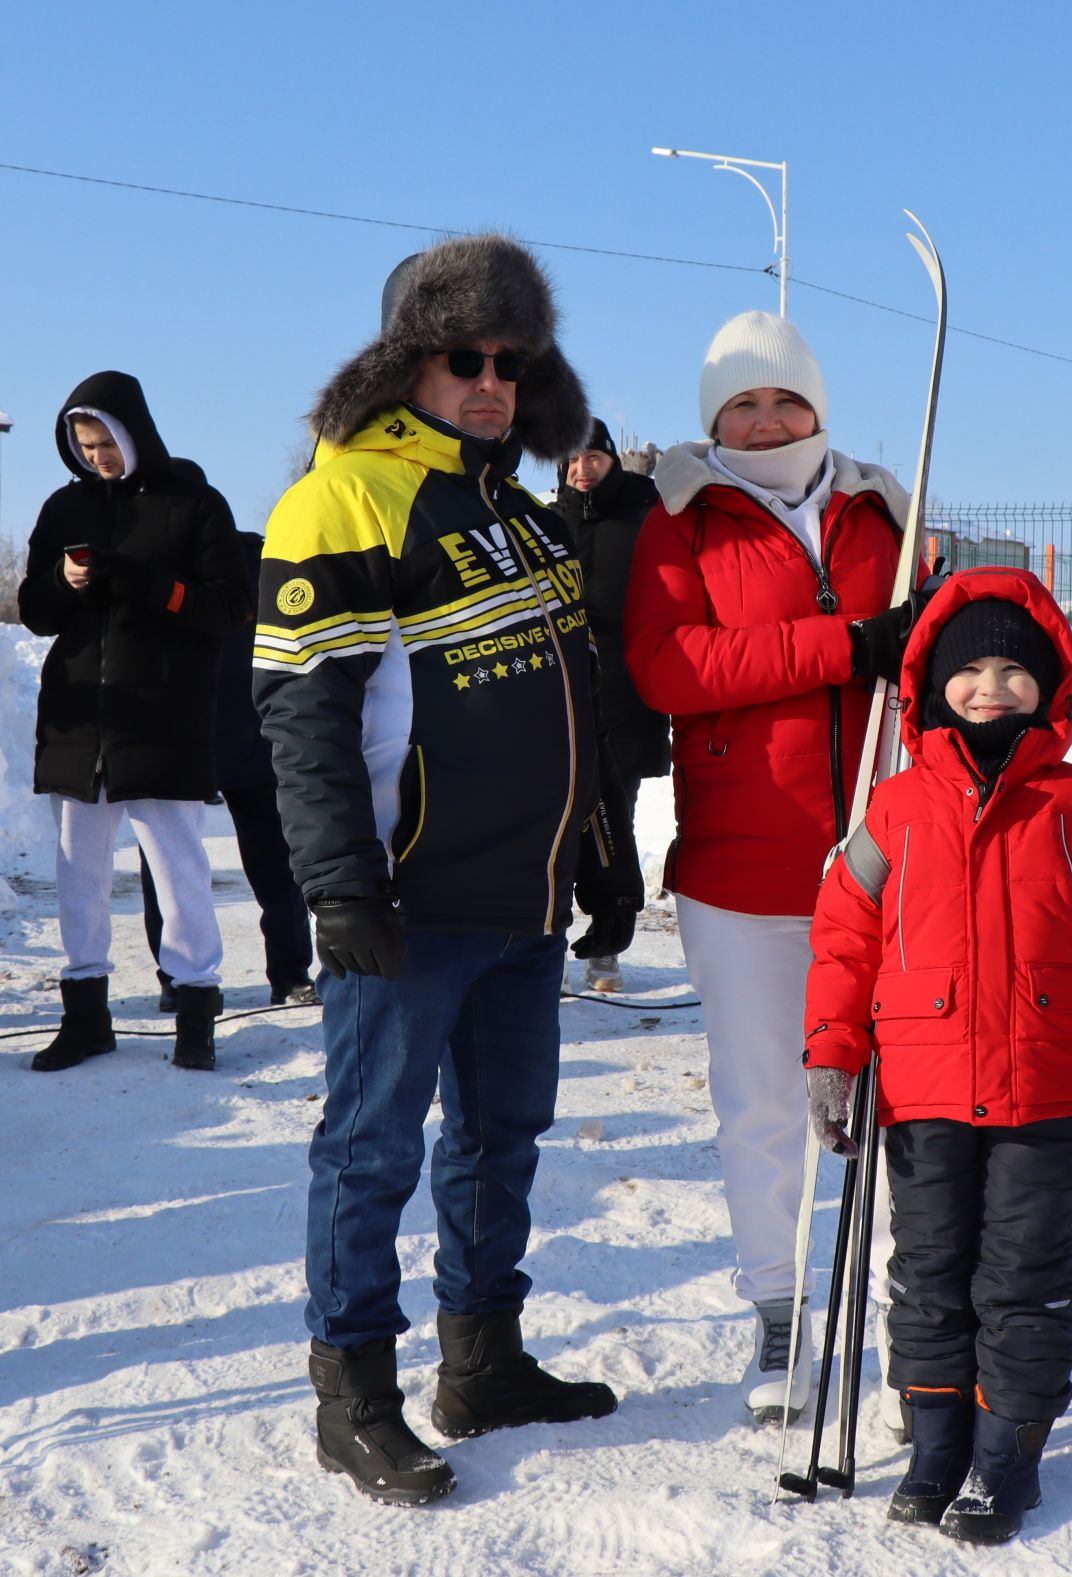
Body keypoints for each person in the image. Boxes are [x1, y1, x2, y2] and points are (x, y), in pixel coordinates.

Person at [254, 234, 640, 1506]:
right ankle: (353, 1395)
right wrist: (339, 886)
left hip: (523, 901)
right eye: (464, 357)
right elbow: (303, 718)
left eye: (511, 362)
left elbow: (573, 701)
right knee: (371, 1150)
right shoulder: (345, 494)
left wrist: (601, 850)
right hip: (409, 902)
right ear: (405, 362)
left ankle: (483, 1361)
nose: (490, 383)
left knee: (500, 1141)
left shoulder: (519, 514)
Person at [802, 568, 1072, 1544]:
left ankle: (1007, 1451)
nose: (991, 686)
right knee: (928, 1268)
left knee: (1023, 1273)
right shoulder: (894, 808)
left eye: (1015, 668)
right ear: (932, 684)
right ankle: (934, 1440)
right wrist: (831, 1057)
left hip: (1045, 1090)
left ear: (1050, 685)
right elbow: (845, 941)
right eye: (970, 667)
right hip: (922, 1089)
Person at [626, 309, 920, 1422]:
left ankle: (904, 1314)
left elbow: (932, 656)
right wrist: (843, 646)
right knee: (763, 1100)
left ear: (817, 404)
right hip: (740, 871)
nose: (764, 419)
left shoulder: (886, 504)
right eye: (741, 402)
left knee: (898, 1102)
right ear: (715, 416)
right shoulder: (680, 513)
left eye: (783, 398)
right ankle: (779, 1309)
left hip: (880, 861)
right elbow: (670, 663)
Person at [16, 371, 251, 1073]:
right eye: (84, 446)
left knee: (178, 869)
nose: (96, 457)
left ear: (133, 432)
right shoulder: (64, 508)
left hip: (162, 717)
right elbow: (34, 610)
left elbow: (229, 606)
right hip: (78, 719)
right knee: (78, 874)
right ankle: (85, 1015)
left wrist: (152, 587)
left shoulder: (195, 503)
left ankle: (195, 1011)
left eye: (105, 443)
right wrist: (66, 583)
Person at [139, 529, 316, 1011]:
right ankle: (178, 976)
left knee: (278, 866)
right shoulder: (151, 561)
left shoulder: (260, 558)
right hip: (177, 740)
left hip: (252, 734)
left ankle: (291, 973)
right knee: (169, 869)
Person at [552, 418, 668, 993]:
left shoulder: (645, 516)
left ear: (611, 460)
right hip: (559, 692)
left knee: (613, 815)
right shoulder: (548, 523)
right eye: (571, 461)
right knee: (557, 817)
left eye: (592, 458)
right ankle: (548, 936)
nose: (581, 470)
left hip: (624, 690)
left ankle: (609, 943)